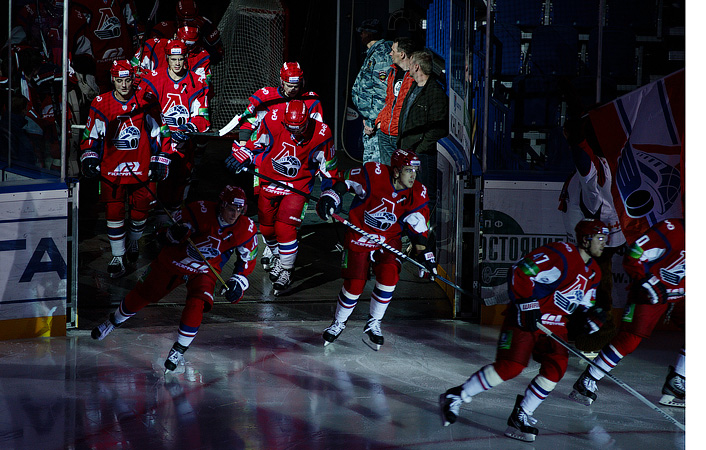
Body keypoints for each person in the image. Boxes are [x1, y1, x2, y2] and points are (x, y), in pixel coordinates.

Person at [439, 219, 609, 442]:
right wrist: (526, 304)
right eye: (600, 238)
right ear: (586, 240)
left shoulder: (594, 272)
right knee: (511, 366)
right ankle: (456, 395)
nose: (604, 243)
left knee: (557, 366)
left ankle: (521, 414)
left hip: (554, 325)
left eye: (605, 238)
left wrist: (592, 318)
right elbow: (521, 270)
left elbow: (584, 304)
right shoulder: (561, 254)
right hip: (526, 317)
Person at [91, 185, 258, 373]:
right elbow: (161, 231)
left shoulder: (247, 228)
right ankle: (113, 322)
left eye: (239, 210)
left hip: (205, 270)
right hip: (175, 260)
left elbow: (248, 258)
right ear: (221, 205)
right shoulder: (199, 209)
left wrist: (238, 281)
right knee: (144, 293)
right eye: (231, 208)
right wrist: (172, 234)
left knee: (197, 303)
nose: (234, 214)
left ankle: (179, 349)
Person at [316, 149, 437, 350]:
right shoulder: (374, 174)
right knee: (354, 284)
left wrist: (425, 256)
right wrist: (332, 196)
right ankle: (339, 322)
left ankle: (374, 322)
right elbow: (345, 182)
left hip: (389, 239)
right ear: (396, 171)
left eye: (415, 171)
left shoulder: (417, 192)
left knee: (389, 276)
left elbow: (418, 231)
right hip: (360, 235)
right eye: (408, 170)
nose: (413, 175)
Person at [569, 218, 685, 408]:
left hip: (680, 294)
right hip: (651, 291)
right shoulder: (671, 229)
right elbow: (634, 254)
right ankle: (588, 378)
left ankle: (678, 381)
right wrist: (648, 282)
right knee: (630, 338)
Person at [225, 99, 337, 295]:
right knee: (267, 228)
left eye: (299, 128)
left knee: (285, 227)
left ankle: (286, 269)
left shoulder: (322, 132)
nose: (294, 132)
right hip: (269, 180)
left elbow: (328, 167)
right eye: (290, 127)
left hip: (298, 185)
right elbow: (254, 145)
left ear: (307, 121)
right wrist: (243, 155)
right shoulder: (272, 119)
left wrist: (329, 192)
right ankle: (279, 257)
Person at [79, 60, 172, 277]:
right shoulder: (101, 102)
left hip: (141, 167)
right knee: (113, 211)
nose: (123, 85)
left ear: (133, 79)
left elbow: (160, 132)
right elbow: (91, 134)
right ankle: (118, 255)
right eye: (119, 80)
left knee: (141, 210)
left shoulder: (146, 101)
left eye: (128, 80)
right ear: (113, 79)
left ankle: (133, 240)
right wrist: (89, 156)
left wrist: (160, 159)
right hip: (111, 168)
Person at [559, 106, 627, 354]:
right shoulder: (602, 165)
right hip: (592, 239)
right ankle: (583, 333)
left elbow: (582, 158)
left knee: (598, 288)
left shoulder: (596, 168)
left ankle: (596, 338)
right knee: (585, 286)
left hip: (597, 241)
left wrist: (576, 138)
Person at [139, 38, 210, 228]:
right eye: (173, 59)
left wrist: (188, 129)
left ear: (186, 58)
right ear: (167, 58)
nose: (177, 63)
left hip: (182, 145)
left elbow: (202, 118)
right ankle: (142, 230)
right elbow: (141, 110)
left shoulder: (197, 82)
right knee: (148, 192)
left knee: (177, 188)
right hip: (156, 144)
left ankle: (168, 229)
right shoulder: (152, 78)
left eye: (181, 59)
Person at [397, 50, 449, 214]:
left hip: (422, 155)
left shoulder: (435, 93)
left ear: (417, 67)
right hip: (408, 151)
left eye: (411, 62)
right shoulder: (414, 87)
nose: (408, 66)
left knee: (425, 194)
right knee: (408, 192)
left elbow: (437, 128)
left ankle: (426, 228)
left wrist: (420, 149)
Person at [236, 61, 323, 147]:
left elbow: (318, 129)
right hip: (266, 147)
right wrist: (243, 143)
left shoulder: (311, 100)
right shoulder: (265, 97)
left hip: (299, 147)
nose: (293, 89)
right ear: (282, 82)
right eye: (289, 86)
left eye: (296, 86)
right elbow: (249, 121)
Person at [350, 18, 393, 164]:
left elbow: (382, 93)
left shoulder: (381, 55)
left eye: (363, 32)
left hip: (376, 124)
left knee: (375, 166)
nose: (361, 35)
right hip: (370, 118)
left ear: (369, 34)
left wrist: (372, 120)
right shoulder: (373, 53)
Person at [373, 37, 420, 165]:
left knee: (403, 173)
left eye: (393, 51)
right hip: (384, 133)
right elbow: (388, 100)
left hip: (401, 137)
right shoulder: (393, 71)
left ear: (402, 54)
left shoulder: (415, 76)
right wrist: (380, 121)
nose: (390, 54)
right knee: (387, 173)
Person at [148, 0, 224, 65]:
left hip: (195, 66)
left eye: (191, 20)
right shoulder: (163, 29)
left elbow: (217, 56)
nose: (186, 23)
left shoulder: (206, 26)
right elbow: (153, 54)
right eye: (183, 20)